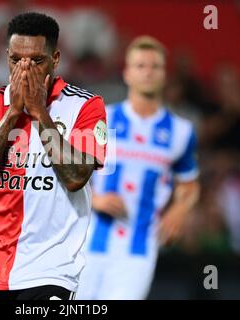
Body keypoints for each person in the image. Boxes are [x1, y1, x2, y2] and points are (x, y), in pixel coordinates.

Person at [0, 12, 107, 300]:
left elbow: (77, 176)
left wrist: (39, 111)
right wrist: (13, 113)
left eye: (37, 61)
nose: (25, 70)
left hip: (52, 271)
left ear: (55, 59)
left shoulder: (86, 106)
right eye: (16, 60)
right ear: (6, 57)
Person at [77, 36, 200, 300]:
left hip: (139, 249)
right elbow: (68, 170)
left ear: (164, 74)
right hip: (88, 243)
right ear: (127, 73)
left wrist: (180, 210)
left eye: (154, 66)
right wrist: (94, 198)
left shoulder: (181, 131)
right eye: (140, 65)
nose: (147, 72)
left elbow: (189, 184)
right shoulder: (102, 118)